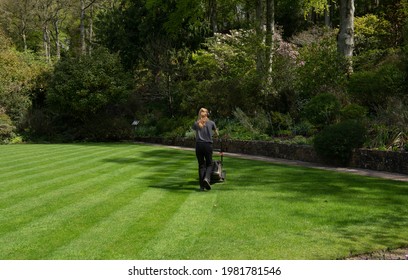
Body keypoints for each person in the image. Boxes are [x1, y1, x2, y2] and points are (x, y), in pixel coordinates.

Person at [192, 108, 218, 191]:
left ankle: (201, 186)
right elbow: (216, 133)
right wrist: (214, 134)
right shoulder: (211, 123)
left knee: (201, 165)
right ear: (207, 114)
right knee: (209, 164)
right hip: (207, 145)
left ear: (200, 114)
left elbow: (195, 129)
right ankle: (207, 178)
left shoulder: (196, 123)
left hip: (199, 145)